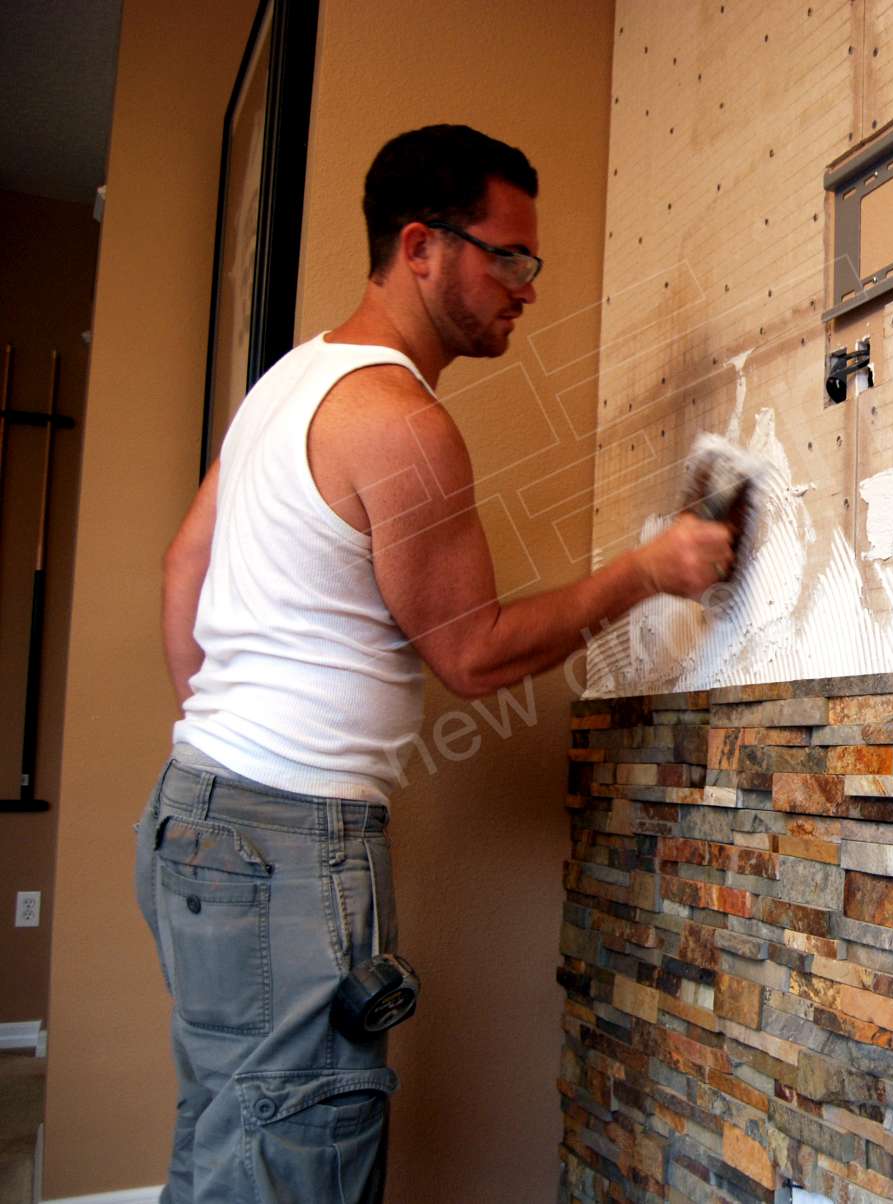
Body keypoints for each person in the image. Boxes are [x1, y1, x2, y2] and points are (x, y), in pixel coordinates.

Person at [135, 124, 732, 1203]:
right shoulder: (401, 421)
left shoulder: (290, 383)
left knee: (230, 1135)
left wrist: (231, 755)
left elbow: (185, 570)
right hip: (279, 836)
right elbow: (474, 654)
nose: (526, 288)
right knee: (291, 1158)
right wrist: (651, 570)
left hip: (198, 812)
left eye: (529, 261)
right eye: (508, 257)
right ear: (422, 246)